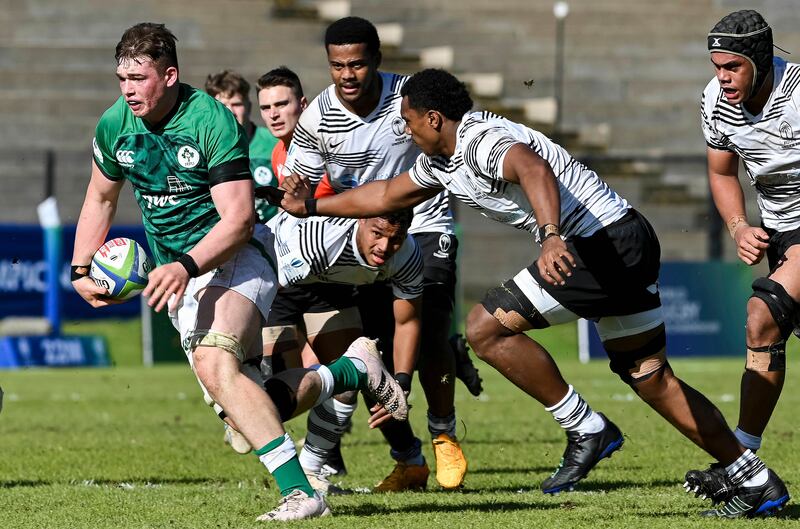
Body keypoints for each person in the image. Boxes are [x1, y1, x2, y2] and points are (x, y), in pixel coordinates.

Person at [279, 67, 787, 516]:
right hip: (626, 239)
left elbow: (531, 167)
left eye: (409, 122)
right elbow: (387, 194)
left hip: (599, 244)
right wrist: (313, 208)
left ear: (434, 119)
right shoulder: (440, 162)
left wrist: (549, 234)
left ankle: (586, 426)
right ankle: (755, 478)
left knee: (483, 328)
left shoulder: (480, 140)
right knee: (650, 376)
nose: (405, 132)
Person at [69, 22, 408, 521]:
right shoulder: (114, 124)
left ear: (169, 75)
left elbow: (239, 219)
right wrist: (80, 268)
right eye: (121, 78)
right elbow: (100, 196)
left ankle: (302, 494)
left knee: (213, 363)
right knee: (247, 410)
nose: (127, 89)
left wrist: (185, 265)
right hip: (180, 274)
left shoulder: (210, 122)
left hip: (236, 257)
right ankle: (354, 368)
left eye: (138, 78)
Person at [282, 17, 467, 491]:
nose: (347, 75)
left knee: (429, 329)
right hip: (359, 238)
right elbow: (301, 191)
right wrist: (294, 193)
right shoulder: (316, 119)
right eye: (337, 66)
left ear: (377, 62)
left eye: (357, 64)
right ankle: (409, 460)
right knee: (370, 357)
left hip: (423, 226)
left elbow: (452, 136)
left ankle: (444, 437)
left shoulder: (409, 100)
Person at [682, 9, 795, 518]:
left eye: (732, 66)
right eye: (716, 66)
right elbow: (721, 169)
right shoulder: (714, 101)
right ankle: (750, 468)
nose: (722, 77)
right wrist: (738, 226)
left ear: (760, 60)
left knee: (761, 313)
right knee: (765, 328)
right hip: (780, 229)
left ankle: (742, 463)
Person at [267, 209, 423, 493]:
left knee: (348, 379)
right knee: (273, 400)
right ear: (360, 220)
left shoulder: (408, 255)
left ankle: (311, 472)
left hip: (332, 287)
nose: (385, 248)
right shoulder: (319, 239)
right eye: (377, 234)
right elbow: (261, 285)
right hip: (275, 279)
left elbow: (408, 321)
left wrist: (401, 383)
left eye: (396, 239)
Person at [204, 69, 280, 223]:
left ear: (249, 106)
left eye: (237, 104)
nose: (231, 111)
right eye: (223, 105)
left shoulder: (274, 143)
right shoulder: (203, 149)